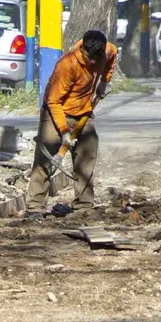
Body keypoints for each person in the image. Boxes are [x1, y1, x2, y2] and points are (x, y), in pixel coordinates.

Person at [25, 30, 117, 217]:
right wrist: (65, 132)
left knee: (87, 155)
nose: (93, 63)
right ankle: (35, 206)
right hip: (56, 113)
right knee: (45, 159)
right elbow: (53, 101)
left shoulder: (105, 51)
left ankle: (83, 206)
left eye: (96, 59)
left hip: (84, 112)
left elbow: (113, 54)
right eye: (90, 59)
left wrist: (104, 81)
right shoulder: (67, 65)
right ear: (82, 49)